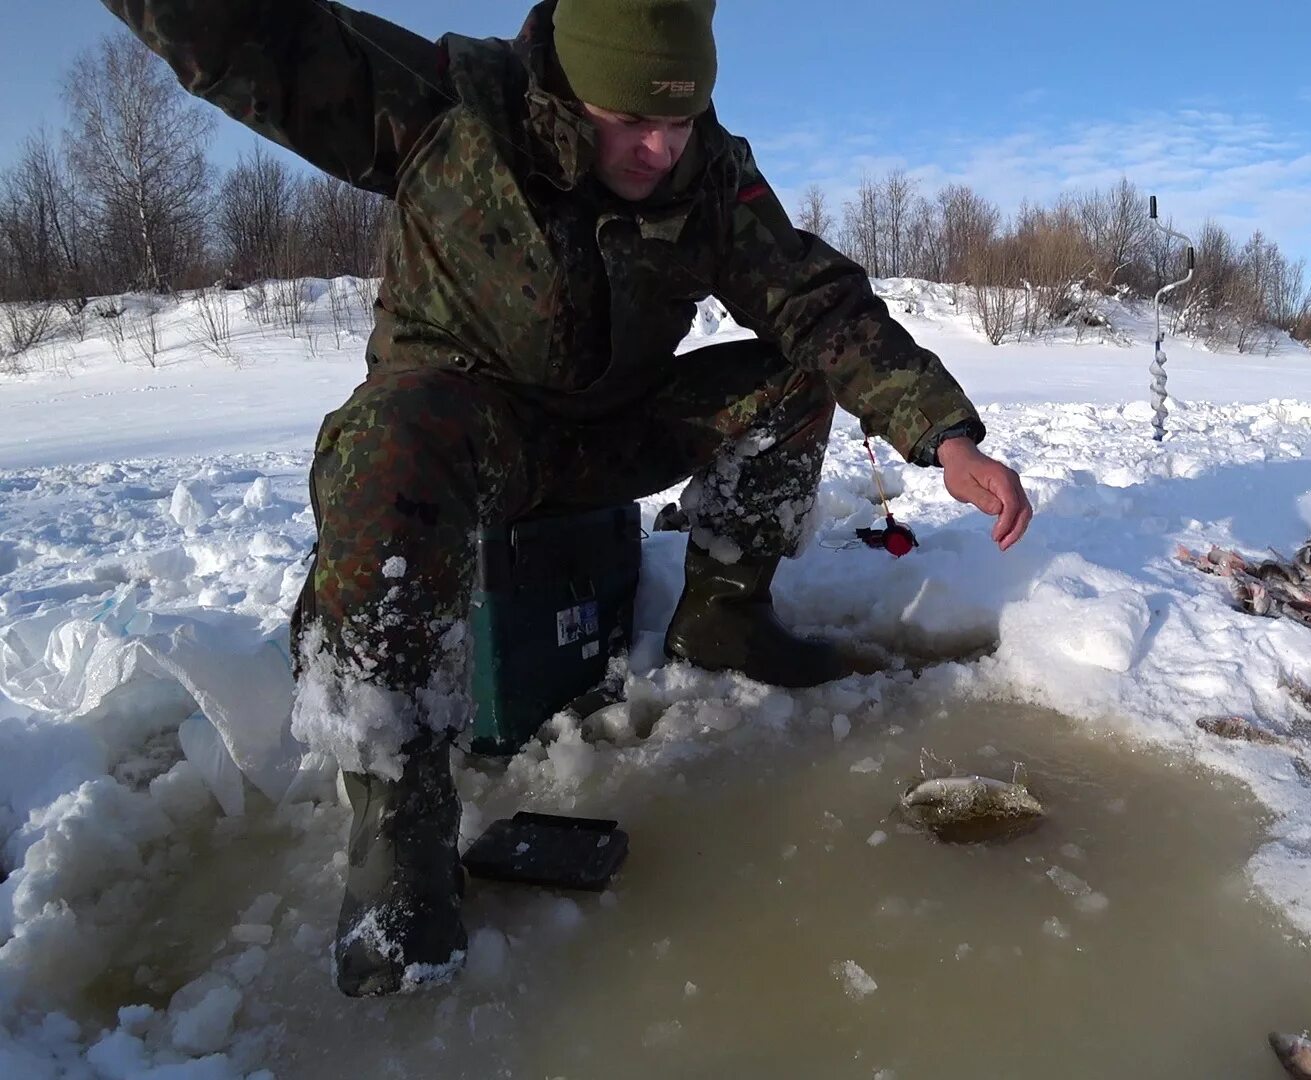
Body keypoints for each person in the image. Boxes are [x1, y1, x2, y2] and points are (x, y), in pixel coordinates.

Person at [101, 0, 1032, 997]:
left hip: (614, 432)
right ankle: (397, 810)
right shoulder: (450, 109)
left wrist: (943, 433)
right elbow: (251, 36)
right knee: (384, 435)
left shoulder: (706, 172)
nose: (660, 145)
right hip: (468, 433)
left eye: (680, 120)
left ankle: (726, 617)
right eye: (632, 118)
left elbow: (816, 302)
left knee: (794, 375)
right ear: (568, 87)